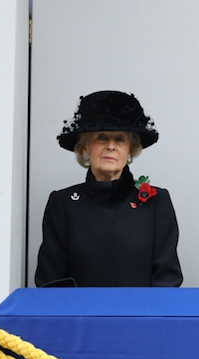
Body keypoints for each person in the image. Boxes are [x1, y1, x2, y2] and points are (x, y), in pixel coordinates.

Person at [34, 90, 183, 287]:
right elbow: (51, 281)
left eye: (120, 139)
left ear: (130, 149)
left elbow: (168, 279)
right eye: (102, 137)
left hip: (142, 316)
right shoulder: (63, 204)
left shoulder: (157, 202)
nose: (111, 146)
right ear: (86, 147)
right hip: (80, 316)